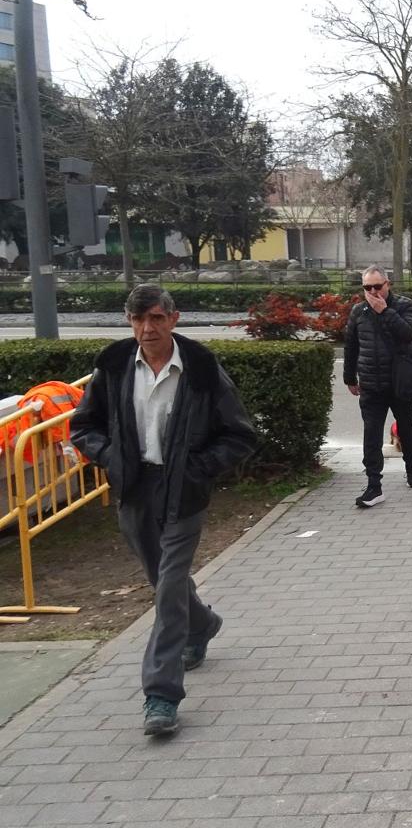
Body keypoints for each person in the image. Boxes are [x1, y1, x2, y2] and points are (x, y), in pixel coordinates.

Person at [70, 285, 258, 737]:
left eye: (155, 318)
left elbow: (240, 433)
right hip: (136, 489)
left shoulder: (200, 367)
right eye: (138, 320)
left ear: (173, 319)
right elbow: (83, 427)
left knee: (170, 584)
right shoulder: (114, 366)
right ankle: (203, 624)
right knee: (162, 582)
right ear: (128, 320)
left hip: (184, 491)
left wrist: (199, 469)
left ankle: (160, 694)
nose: (146, 328)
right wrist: (111, 457)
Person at [344, 266, 412, 506]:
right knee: (371, 435)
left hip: (399, 383)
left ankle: (411, 467)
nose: (373, 292)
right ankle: (374, 485)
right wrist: (349, 377)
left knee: (406, 427)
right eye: (368, 287)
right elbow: (351, 346)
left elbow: (409, 334)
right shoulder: (359, 311)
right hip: (371, 384)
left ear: (388, 284)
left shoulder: (403, 305)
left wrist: (386, 311)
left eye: (378, 286)